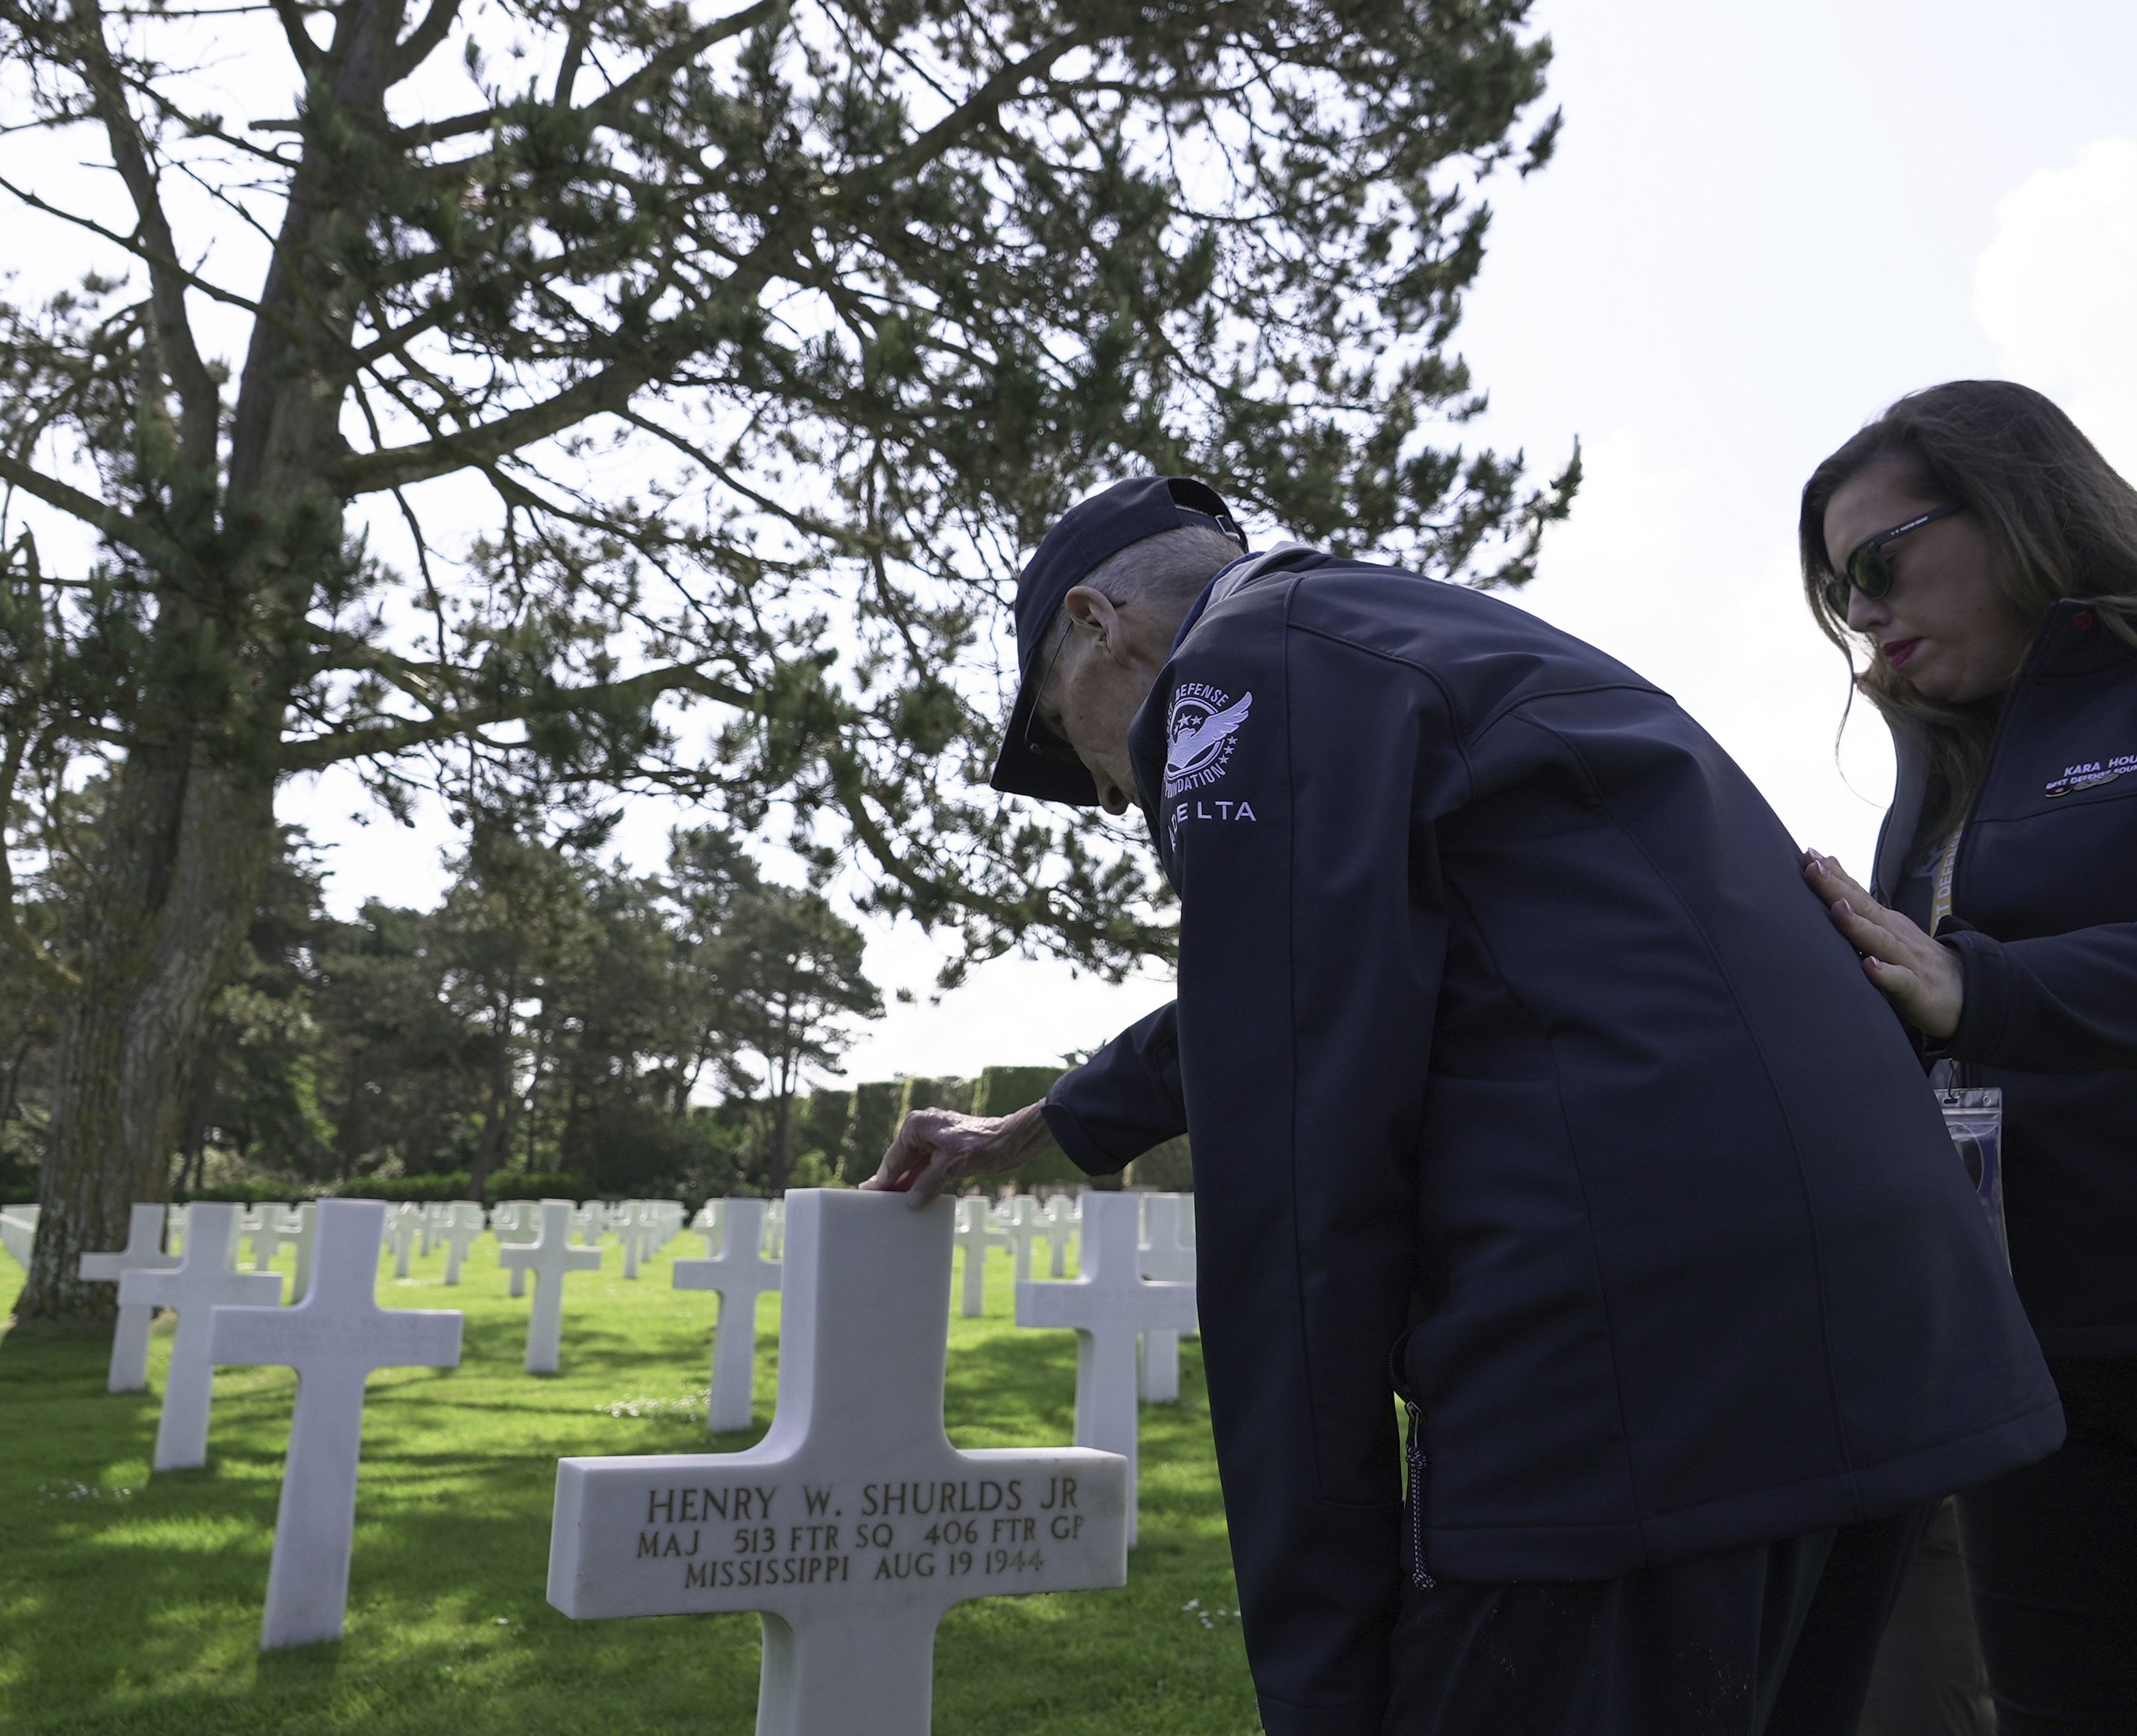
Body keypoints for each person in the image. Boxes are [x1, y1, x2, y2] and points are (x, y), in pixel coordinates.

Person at [863, 475, 2064, 1736]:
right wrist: (1044, 1121)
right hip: (1869, 1357)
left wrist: (1317, 1665)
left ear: (1101, 625)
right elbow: (1315, 970)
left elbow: (1299, 1197)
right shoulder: (1409, 636)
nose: (1117, 795)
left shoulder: (1233, 676)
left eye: (1077, 741)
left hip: (1632, 1390)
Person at [1798, 380, 2137, 1734]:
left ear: (2017, 510)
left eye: (1881, 560)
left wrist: (1974, 985)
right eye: (1839, 593)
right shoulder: (1933, 776)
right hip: (2028, 1376)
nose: (1865, 612)